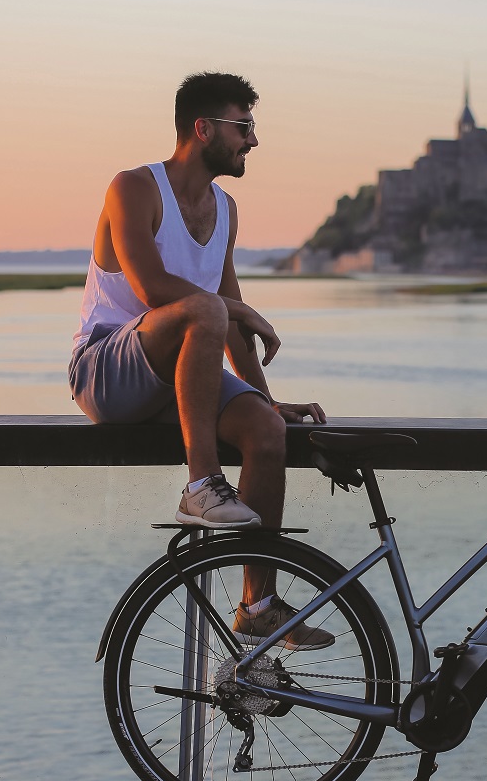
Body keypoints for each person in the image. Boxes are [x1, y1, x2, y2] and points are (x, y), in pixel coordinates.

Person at [69, 72, 332, 649]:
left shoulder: (226, 210)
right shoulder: (133, 187)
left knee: (265, 433)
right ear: (202, 128)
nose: (253, 142)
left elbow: (227, 315)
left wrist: (264, 398)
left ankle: (258, 606)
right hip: (106, 371)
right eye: (244, 127)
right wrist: (233, 311)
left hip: (177, 379)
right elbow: (152, 285)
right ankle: (202, 484)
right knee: (205, 311)